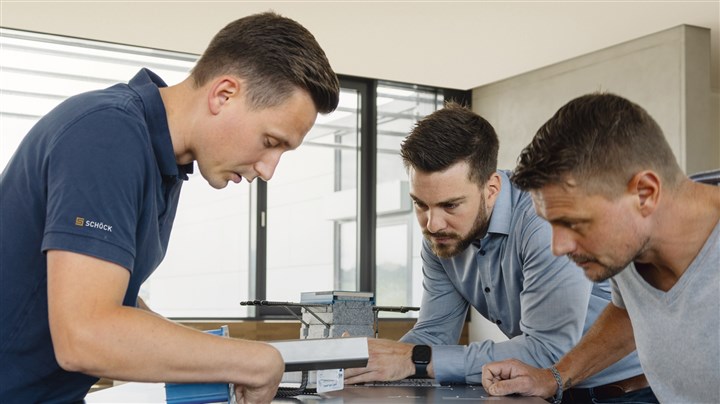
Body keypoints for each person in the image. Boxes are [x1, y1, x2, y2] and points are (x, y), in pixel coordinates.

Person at [0, 12, 339, 403]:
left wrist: (214, 358)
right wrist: (251, 360)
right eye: (270, 141)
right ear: (224, 94)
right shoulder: (107, 134)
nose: (268, 169)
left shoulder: (162, 160)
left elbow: (116, 301)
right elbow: (85, 334)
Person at [343, 102, 656, 403]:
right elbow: (435, 334)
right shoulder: (442, 236)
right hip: (537, 390)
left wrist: (414, 358)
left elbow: (548, 351)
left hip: (622, 393)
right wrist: (373, 362)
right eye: (420, 204)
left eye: (450, 205)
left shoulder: (542, 220)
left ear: (491, 189)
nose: (432, 223)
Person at [481, 93, 720, 404]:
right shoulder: (631, 245)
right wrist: (555, 376)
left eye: (575, 223)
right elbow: (626, 313)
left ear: (645, 193)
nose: (559, 247)